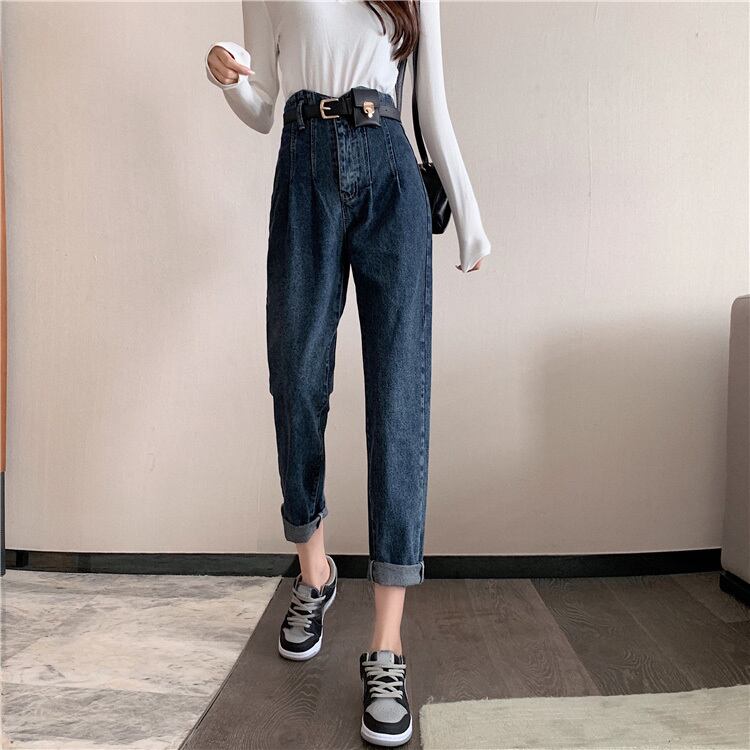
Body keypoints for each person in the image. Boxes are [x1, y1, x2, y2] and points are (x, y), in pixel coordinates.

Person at [205, 1, 490, 745]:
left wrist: (468, 214)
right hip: (303, 167)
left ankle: (387, 644)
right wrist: (228, 78)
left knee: (399, 400)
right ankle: (315, 571)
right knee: (296, 377)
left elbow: (431, 104)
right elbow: (262, 106)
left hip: (391, 172)